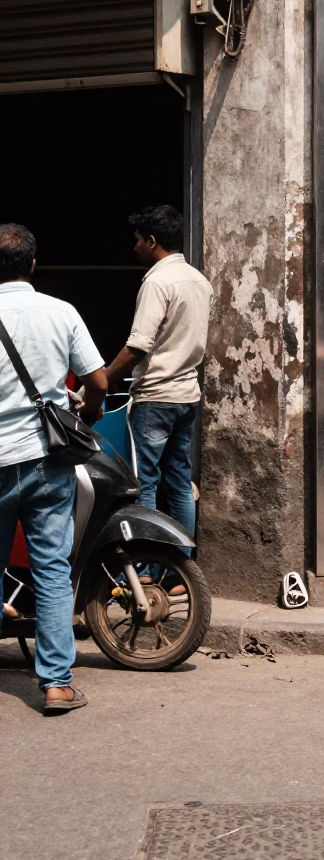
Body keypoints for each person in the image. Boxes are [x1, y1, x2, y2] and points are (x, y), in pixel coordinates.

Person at [0, 223, 107, 713]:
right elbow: (98, 380)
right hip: (47, 460)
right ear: (34, 264)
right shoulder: (61, 312)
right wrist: (86, 412)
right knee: (51, 571)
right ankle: (58, 684)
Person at [104, 207, 212, 568]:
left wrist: (104, 377)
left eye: (137, 241)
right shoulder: (199, 280)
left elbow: (138, 346)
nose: (134, 248)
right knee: (180, 482)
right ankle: (182, 568)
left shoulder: (157, 282)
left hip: (155, 397)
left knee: (145, 484)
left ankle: (147, 570)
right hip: (186, 397)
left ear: (152, 241)